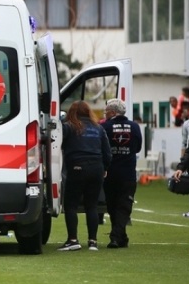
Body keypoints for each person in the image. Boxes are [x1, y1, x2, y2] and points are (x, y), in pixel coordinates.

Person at [58, 100, 112, 252]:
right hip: (96, 168)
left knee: (71, 205)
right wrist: (105, 167)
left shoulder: (68, 127)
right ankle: (93, 241)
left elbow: (57, 145)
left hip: (77, 167)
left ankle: (73, 240)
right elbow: (107, 152)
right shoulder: (99, 128)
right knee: (92, 206)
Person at [102, 99, 142, 249]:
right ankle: (121, 236)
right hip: (128, 174)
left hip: (110, 173)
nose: (105, 114)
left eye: (106, 112)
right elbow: (137, 148)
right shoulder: (135, 126)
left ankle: (115, 237)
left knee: (112, 206)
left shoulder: (105, 126)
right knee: (124, 206)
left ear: (112, 112)